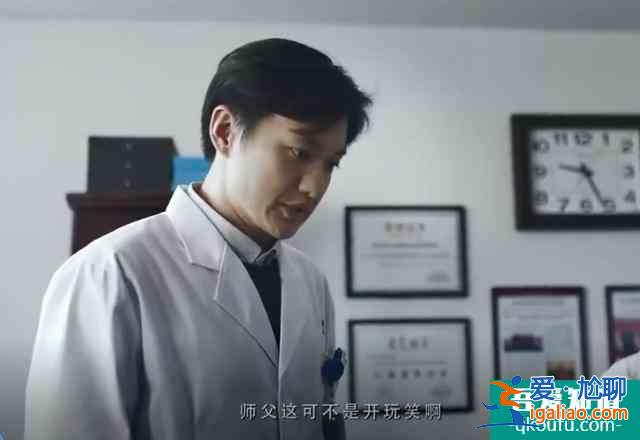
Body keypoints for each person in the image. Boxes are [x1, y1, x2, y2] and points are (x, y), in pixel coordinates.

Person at [24, 38, 373, 440]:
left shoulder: (311, 282)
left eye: (331, 165)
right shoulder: (108, 274)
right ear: (225, 131)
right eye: (299, 152)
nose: (314, 187)